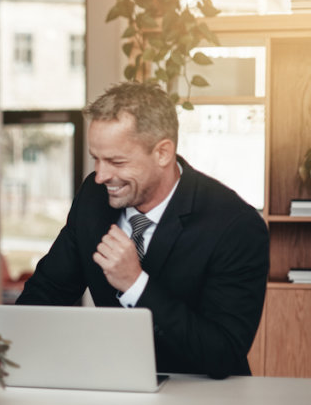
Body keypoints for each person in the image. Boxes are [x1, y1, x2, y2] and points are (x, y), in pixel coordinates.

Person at [17, 82, 269, 378]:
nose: (100, 176)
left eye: (116, 161)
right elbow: (48, 291)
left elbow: (222, 353)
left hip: (203, 400)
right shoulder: (93, 198)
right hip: (116, 386)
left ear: (163, 153)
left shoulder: (236, 225)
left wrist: (135, 284)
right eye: (96, 158)